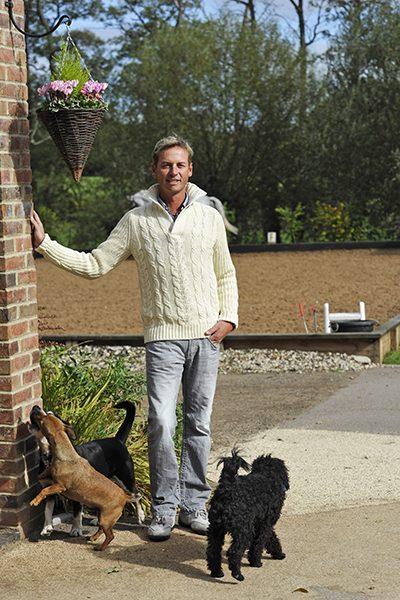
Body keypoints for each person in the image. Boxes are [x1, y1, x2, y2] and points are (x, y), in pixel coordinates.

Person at [30, 135, 239, 541]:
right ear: (154, 170)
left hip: (206, 338)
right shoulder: (137, 220)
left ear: (190, 170)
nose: (173, 172)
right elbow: (95, 264)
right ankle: (163, 507)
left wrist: (228, 319)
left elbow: (225, 272)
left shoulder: (209, 216)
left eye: (180, 165)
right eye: (165, 165)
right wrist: (45, 244)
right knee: (161, 422)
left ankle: (194, 504)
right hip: (162, 339)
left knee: (199, 424)